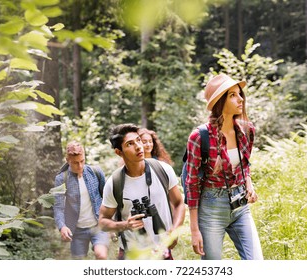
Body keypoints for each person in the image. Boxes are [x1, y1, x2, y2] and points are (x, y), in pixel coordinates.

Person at [185, 73, 263, 260]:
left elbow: (245, 163)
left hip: (240, 205)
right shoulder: (199, 137)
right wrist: (194, 230)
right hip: (211, 208)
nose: (240, 99)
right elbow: (192, 185)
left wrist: (248, 184)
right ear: (220, 101)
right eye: (233, 95)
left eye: (240, 94)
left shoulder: (246, 130)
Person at [99, 123, 185, 260]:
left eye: (138, 140)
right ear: (118, 152)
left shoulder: (163, 170)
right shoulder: (114, 183)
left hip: (162, 251)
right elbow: (103, 221)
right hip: (131, 254)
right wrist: (125, 225)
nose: (138, 146)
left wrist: (174, 231)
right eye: (130, 144)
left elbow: (179, 203)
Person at [53, 141, 109, 259]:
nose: (80, 166)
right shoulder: (61, 179)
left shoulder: (96, 172)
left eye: (82, 161)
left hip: (98, 226)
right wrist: (62, 226)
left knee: (101, 255)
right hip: (77, 230)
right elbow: (58, 206)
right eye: (75, 163)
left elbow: (107, 198)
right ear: (68, 160)